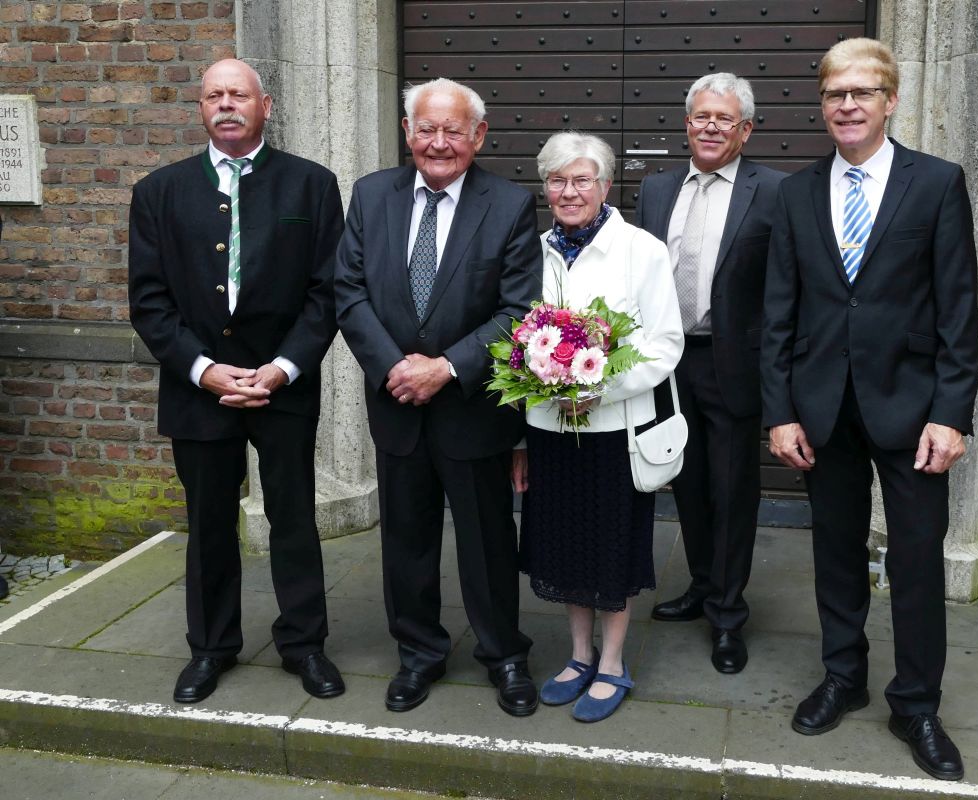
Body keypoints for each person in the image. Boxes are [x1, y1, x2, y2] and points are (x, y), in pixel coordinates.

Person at [760, 38, 978, 781]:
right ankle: (843, 676)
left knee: (916, 559)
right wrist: (780, 411)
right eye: (835, 94)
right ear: (821, 105)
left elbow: (959, 309)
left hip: (913, 410)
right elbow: (779, 314)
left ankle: (916, 704)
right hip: (823, 408)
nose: (847, 105)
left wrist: (951, 414)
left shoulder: (936, 183)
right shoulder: (795, 194)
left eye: (862, 93)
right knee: (835, 552)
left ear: (890, 101)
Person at [128, 59, 345, 704]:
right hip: (198, 389)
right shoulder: (158, 192)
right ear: (201, 108)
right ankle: (211, 647)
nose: (226, 104)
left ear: (265, 106)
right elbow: (149, 301)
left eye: (239, 95)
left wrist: (282, 368)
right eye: (214, 95)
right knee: (209, 524)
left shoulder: (312, 185)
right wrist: (203, 370)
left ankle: (304, 644)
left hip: (284, 387)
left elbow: (327, 293)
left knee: (293, 519)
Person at [335, 79, 543, 717]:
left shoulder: (509, 204)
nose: (439, 142)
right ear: (408, 131)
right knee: (406, 540)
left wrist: (447, 368)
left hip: (472, 410)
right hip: (397, 403)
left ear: (479, 136)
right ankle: (419, 653)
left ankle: (503, 655)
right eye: (427, 128)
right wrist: (394, 368)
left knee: (487, 543)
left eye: (454, 130)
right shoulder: (372, 195)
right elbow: (348, 290)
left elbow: (518, 309)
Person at [512, 131, 683, 723]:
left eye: (582, 179)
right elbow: (514, 341)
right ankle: (578, 655)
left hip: (614, 431)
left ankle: (612, 663)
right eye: (557, 180)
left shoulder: (641, 250)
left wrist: (597, 388)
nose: (569, 191)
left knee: (610, 549)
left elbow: (665, 345)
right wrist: (526, 424)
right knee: (563, 546)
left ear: (606, 186)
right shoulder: (532, 252)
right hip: (550, 432)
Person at [635, 73, 785, 674]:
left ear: (746, 130)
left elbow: (786, 285)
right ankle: (702, 585)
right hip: (668, 363)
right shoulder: (656, 189)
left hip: (732, 364)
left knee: (731, 490)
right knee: (687, 482)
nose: (711, 127)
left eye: (725, 119)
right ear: (687, 123)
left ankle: (727, 614)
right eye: (702, 116)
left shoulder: (774, 191)